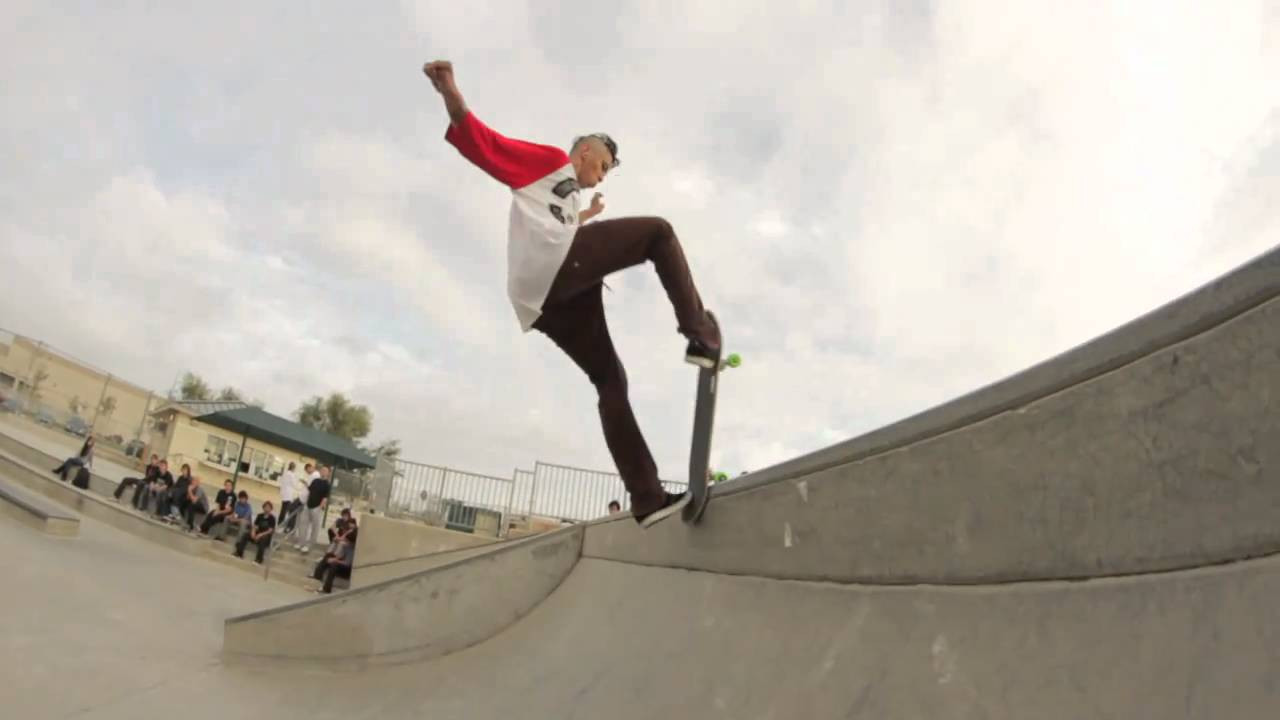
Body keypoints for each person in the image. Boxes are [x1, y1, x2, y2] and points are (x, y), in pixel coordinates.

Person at [423, 59, 721, 528]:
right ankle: (700, 334)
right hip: (555, 272)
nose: (600, 177)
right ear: (582, 152)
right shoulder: (547, 162)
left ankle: (646, 499)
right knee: (658, 234)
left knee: (610, 381)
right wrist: (449, 92)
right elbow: (486, 143)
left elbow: (555, 222)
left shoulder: (565, 195)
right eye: (601, 166)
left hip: (546, 301)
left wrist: (588, 215)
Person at [294, 465, 330, 554]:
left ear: (328, 473)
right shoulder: (315, 481)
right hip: (308, 505)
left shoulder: (327, 484)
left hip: (317, 508)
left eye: (325, 471)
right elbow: (310, 490)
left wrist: (320, 507)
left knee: (315, 528)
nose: (323, 472)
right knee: (303, 525)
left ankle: (309, 546)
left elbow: (325, 498)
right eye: (322, 470)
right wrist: (305, 483)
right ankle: (301, 543)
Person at [234, 500, 276, 564]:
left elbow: (270, 530)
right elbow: (255, 526)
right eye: (265, 507)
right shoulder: (260, 515)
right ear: (263, 508)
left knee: (263, 539)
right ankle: (239, 553)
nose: (267, 509)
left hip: (265, 536)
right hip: (257, 534)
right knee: (246, 534)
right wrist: (253, 532)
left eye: (268, 507)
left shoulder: (272, 518)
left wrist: (260, 535)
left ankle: (259, 560)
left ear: (271, 509)